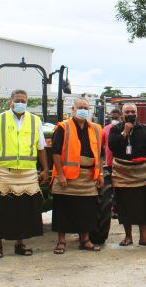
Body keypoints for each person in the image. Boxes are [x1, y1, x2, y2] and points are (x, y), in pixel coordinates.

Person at [0, 89, 48, 258]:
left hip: (27, 173)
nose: (20, 103)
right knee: (0, 208)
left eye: (23, 100)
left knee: (23, 209)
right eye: (17, 100)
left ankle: (20, 244)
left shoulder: (35, 121)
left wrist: (45, 169)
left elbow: (41, 148)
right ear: (10, 102)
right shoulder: (0, 119)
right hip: (5, 172)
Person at [51, 98, 104, 253]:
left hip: (88, 176)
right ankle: (61, 242)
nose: (83, 110)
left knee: (86, 210)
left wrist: (99, 173)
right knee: (63, 209)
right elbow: (55, 152)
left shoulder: (96, 128)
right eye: (80, 107)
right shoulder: (63, 127)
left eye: (85, 108)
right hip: (67, 176)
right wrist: (60, 174)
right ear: (73, 109)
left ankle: (85, 240)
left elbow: (99, 154)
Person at [108, 103, 146, 247]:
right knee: (124, 206)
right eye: (127, 112)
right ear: (122, 115)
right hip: (122, 173)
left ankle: (144, 238)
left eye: (133, 111)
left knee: (144, 206)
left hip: (142, 173)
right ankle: (128, 237)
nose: (130, 114)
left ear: (137, 113)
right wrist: (125, 132)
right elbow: (112, 147)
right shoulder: (115, 129)